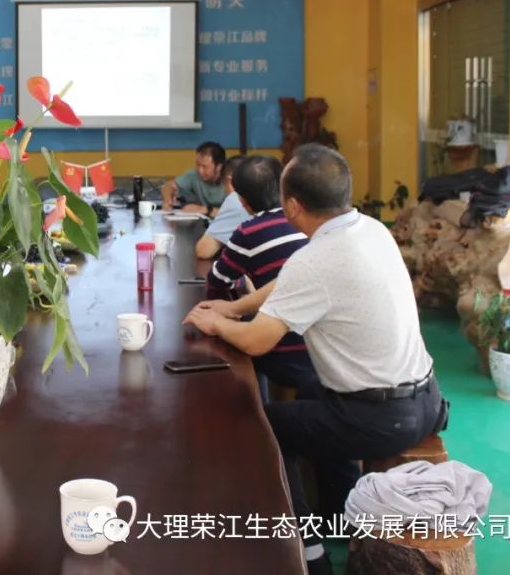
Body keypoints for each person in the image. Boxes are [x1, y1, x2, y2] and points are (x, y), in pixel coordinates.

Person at [186, 145, 447, 575]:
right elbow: (287, 284)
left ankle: (308, 549)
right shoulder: (371, 229)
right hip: (427, 400)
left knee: (263, 425)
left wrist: (217, 324)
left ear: (292, 205)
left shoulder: (315, 259)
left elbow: (256, 342)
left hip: (382, 418)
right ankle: (339, 513)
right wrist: (233, 307)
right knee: (311, 390)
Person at [194, 156, 316, 392]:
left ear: (242, 201)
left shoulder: (249, 231)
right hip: (318, 349)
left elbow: (217, 280)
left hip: (283, 349)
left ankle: (252, 407)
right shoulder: (306, 221)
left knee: (223, 346)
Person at [194, 155, 250, 259]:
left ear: (230, 181)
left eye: (223, 184)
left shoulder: (236, 199)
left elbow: (203, 251)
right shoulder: (268, 195)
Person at [161, 141, 226, 215]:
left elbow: (234, 213)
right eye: (198, 165)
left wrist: (204, 210)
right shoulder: (194, 174)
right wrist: (168, 200)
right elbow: (168, 186)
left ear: (219, 167)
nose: (200, 171)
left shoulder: (230, 180)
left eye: (205, 167)